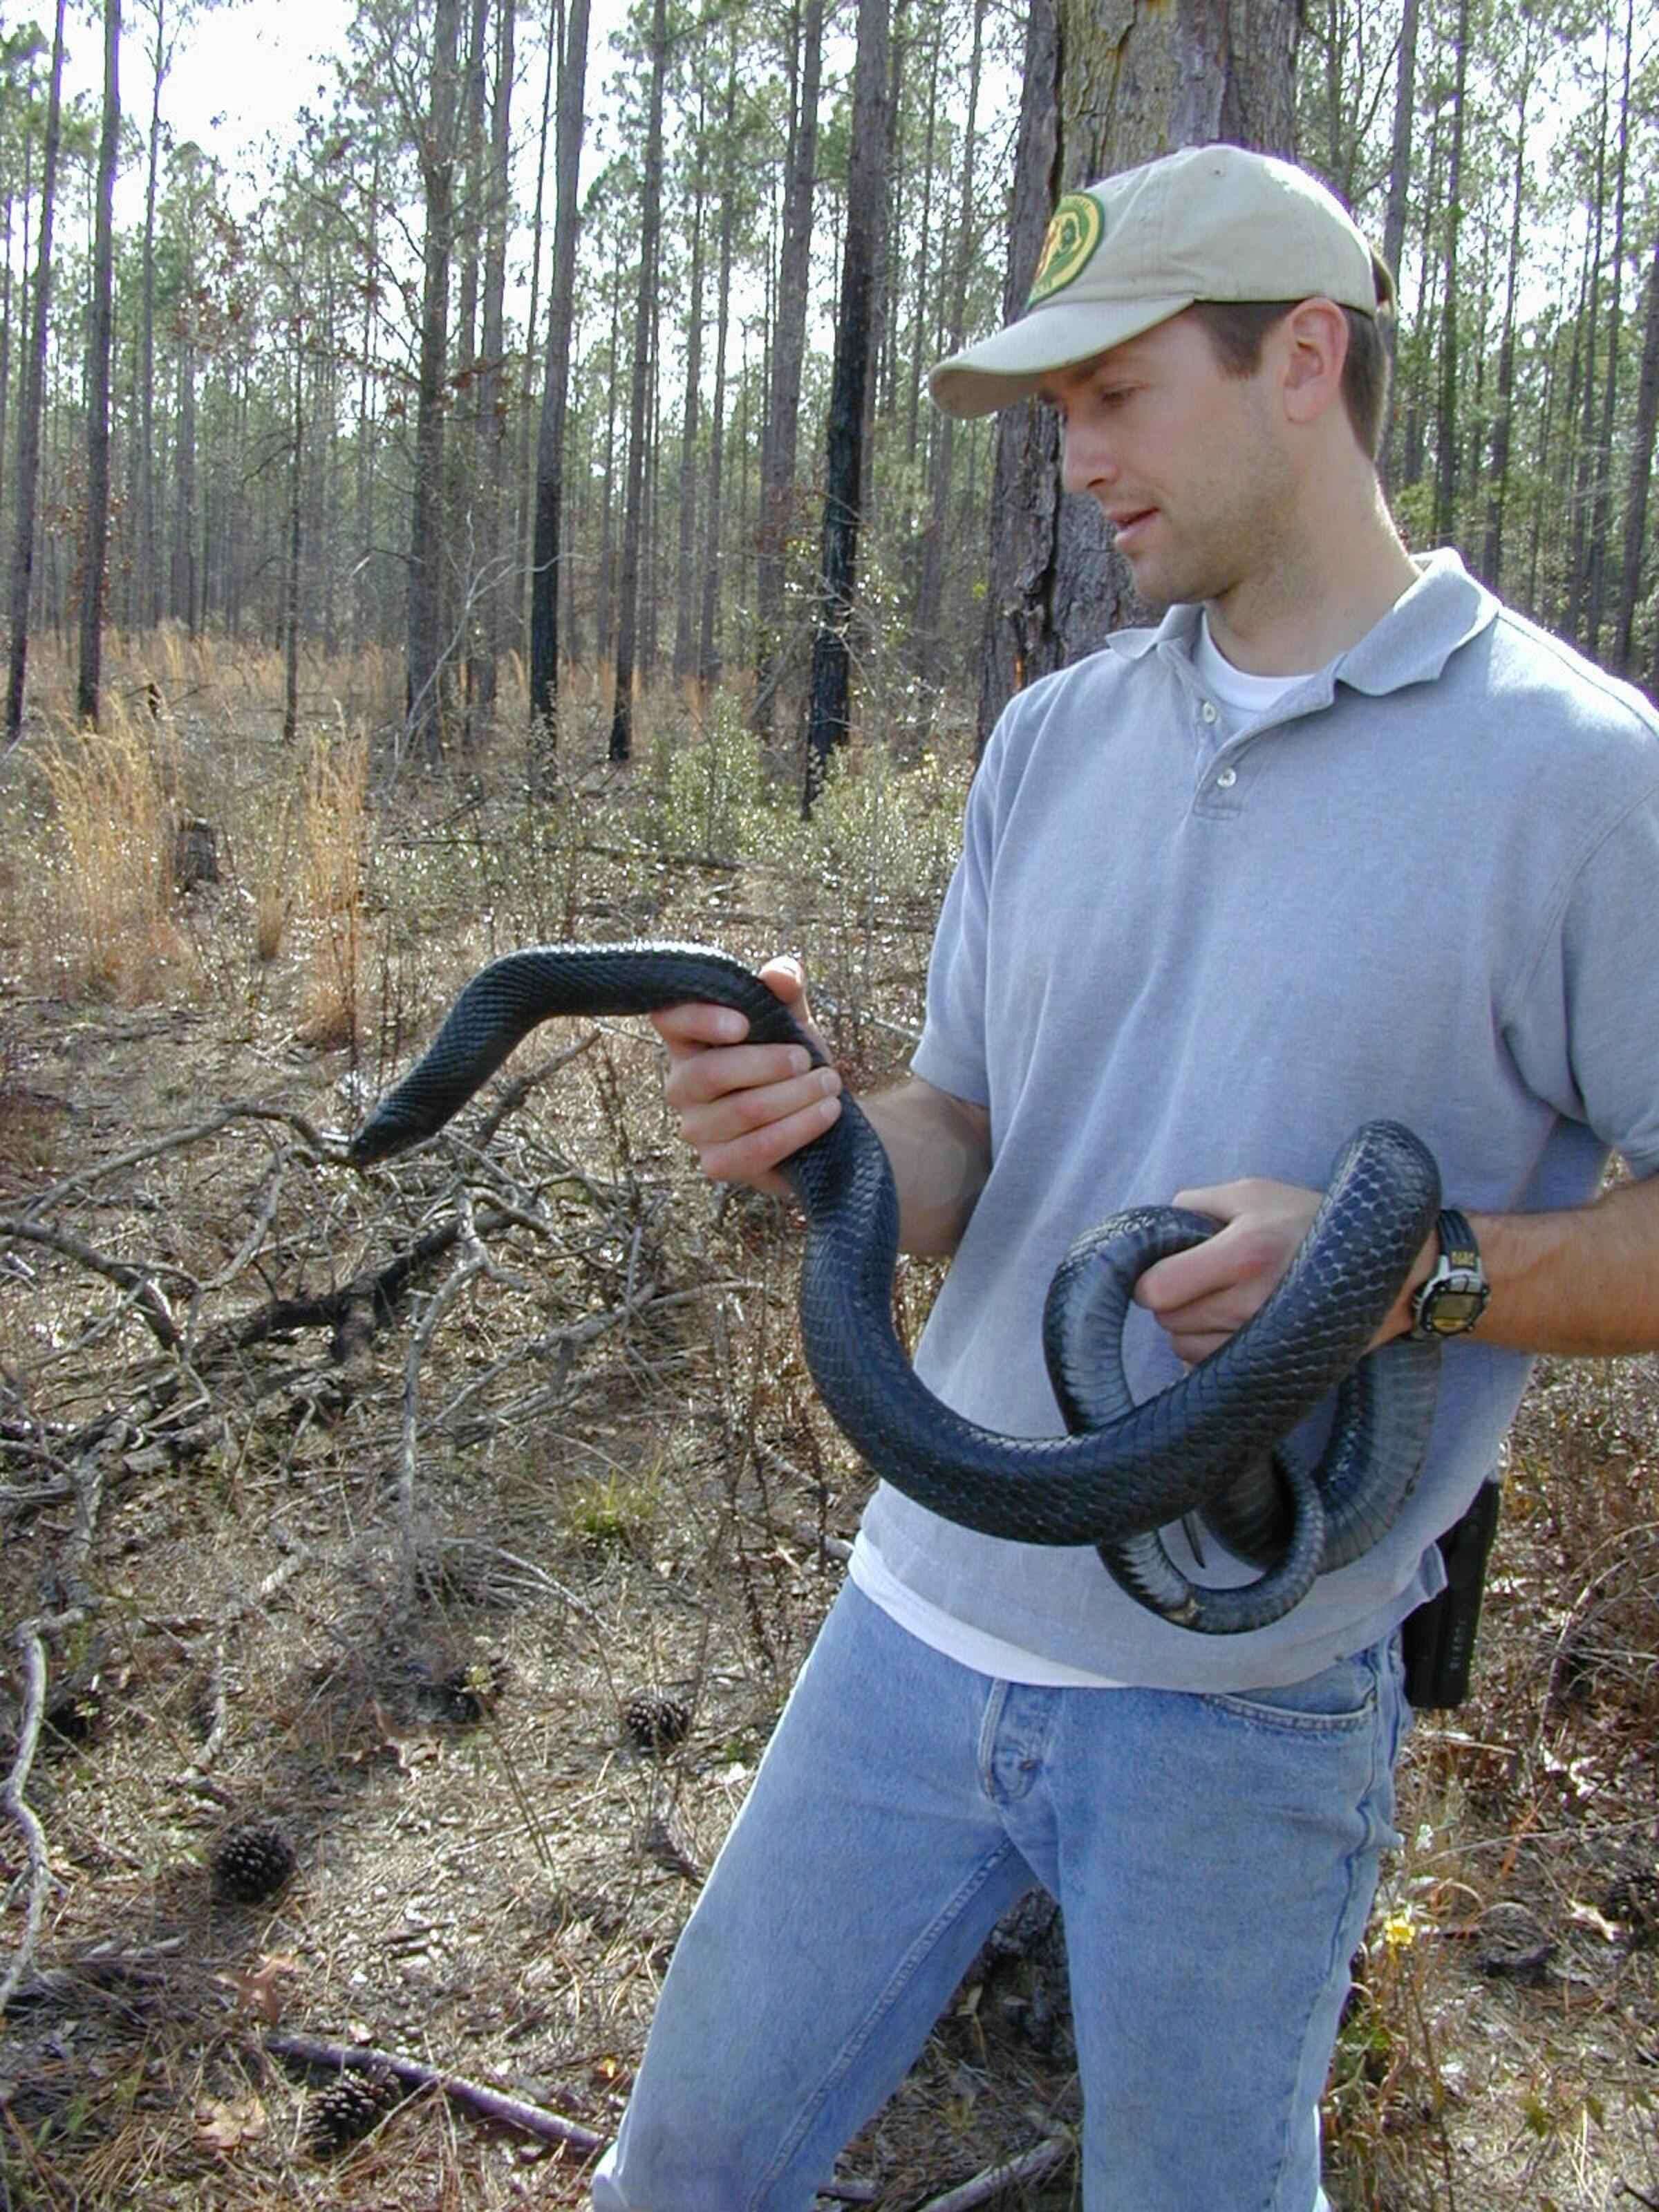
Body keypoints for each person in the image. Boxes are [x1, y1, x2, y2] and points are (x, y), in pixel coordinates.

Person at [591, 142, 1659, 2211]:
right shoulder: (1053, 741)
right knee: (678, 2181)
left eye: (1116, 394)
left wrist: (1395, 1271)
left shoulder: (1588, 783)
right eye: (1057, 411)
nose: (1075, 459)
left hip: (1240, 1719)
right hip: (910, 1632)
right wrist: (816, 1141)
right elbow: (971, 1144)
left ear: (1305, 360)